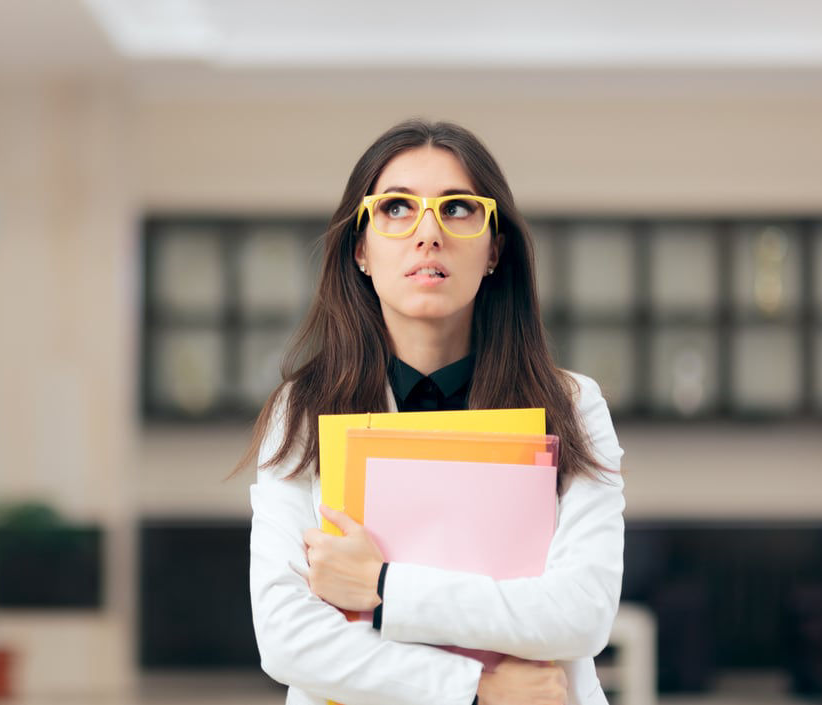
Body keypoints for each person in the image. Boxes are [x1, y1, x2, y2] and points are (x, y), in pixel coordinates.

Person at [238, 119, 626, 705]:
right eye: (396, 208)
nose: (428, 234)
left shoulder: (572, 405)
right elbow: (287, 637)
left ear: (495, 248)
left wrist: (381, 587)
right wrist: (474, 689)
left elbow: (581, 613)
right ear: (360, 249)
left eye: (458, 209)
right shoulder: (300, 411)